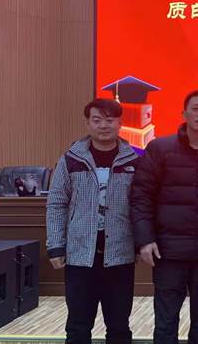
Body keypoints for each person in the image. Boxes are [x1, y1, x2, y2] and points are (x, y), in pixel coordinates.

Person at [130, 90, 198, 344]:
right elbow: (141, 196)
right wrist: (145, 240)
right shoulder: (160, 148)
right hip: (168, 252)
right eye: (196, 109)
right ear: (184, 113)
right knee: (166, 321)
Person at [46, 98, 139, 344]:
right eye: (97, 120)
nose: (104, 126)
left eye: (110, 120)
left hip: (120, 254)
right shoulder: (71, 159)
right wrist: (56, 245)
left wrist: (141, 244)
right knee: (78, 326)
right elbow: (56, 203)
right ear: (87, 123)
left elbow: (141, 206)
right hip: (80, 255)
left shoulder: (134, 160)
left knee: (119, 326)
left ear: (120, 123)